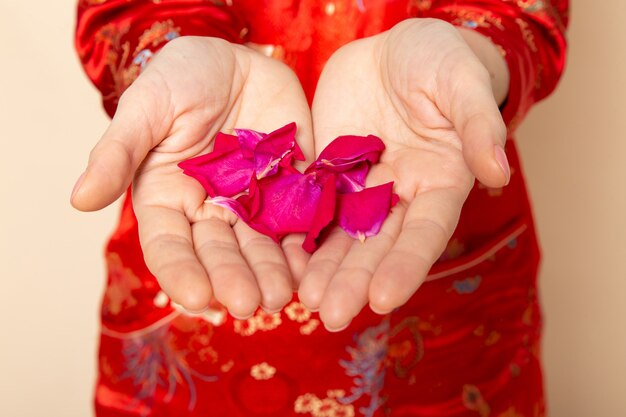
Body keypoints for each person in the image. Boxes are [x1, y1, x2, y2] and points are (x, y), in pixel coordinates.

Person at [72, 0, 568, 415]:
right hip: (196, 279)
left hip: (440, 280)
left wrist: (469, 55)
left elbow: (520, 8)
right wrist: (166, 51)